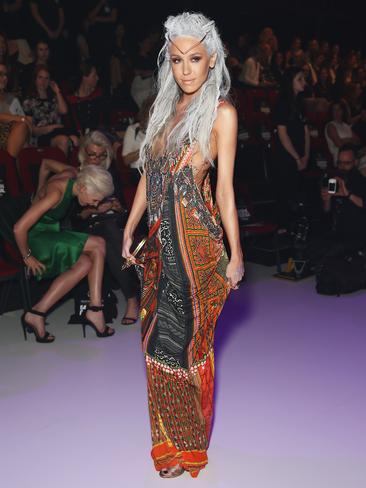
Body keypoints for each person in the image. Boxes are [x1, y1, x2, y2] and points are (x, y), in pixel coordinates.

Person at [122, 12, 244, 479]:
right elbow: (147, 179)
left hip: (196, 251)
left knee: (180, 348)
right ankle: (168, 440)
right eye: (177, 60)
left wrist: (236, 255)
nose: (186, 69)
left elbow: (226, 191)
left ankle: (190, 446)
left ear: (212, 60)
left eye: (195, 58)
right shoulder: (163, 111)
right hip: (158, 249)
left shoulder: (221, 113)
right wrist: (130, 226)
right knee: (155, 343)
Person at [37, 130, 140, 325]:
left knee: (112, 236)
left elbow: (126, 207)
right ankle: (129, 298)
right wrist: (94, 210)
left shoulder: (110, 173)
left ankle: (128, 299)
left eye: (102, 155)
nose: (97, 159)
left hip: (111, 222)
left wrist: (118, 207)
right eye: (93, 154)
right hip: (84, 226)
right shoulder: (76, 175)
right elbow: (71, 216)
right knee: (109, 238)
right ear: (84, 153)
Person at [13, 164, 115, 343]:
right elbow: (19, 228)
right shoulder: (55, 194)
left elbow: (45, 162)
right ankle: (96, 310)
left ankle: (36, 313)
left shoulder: (74, 174)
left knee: (85, 264)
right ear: (83, 188)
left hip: (50, 232)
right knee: (99, 244)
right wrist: (27, 257)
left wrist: (38, 191)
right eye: (95, 199)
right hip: (36, 238)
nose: (95, 204)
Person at [274, 67, 310, 228]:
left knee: (298, 192)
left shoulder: (300, 103)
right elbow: (282, 134)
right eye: (300, 79)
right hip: (286, 157)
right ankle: (284, 227)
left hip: (301, 155)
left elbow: (306, 130)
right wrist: (296, 157)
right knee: (285, 192)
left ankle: (296, 225)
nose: (304, 82)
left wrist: (306, 155)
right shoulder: (282, 103)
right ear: (291, 82)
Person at [22, 64, 78, 154]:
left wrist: (57, 91)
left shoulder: (53, 98)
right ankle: (61, 167)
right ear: (35, 79)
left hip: (58, 131)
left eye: (46, 78)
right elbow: (32, 130)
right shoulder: (28, 102)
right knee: (64, 140)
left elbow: (64, 111)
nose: (43, 81)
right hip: (42, 136)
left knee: (75, 140)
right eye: (40, 77)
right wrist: (50, 128)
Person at [0, 62, 32, 159]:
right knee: (22, 125)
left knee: (23, 129)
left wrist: (24, 120)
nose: (4, 78)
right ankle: (10, 165)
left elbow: (23, 119)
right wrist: (21, 119)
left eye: (6, 75)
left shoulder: (11, 98)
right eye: (0, 74)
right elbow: (21, 119)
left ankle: (11, 167)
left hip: (12, 135)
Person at [325, 100, 360, 165]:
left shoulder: (346, 125)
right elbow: (339, 144)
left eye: (339, 109)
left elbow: (358, 141)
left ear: (343, 111)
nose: (336, 112)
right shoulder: (331, 126)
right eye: (334, 110)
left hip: (353, 156)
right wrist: (350, 139)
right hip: (341, 159)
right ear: (331, 112)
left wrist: (345, 140)